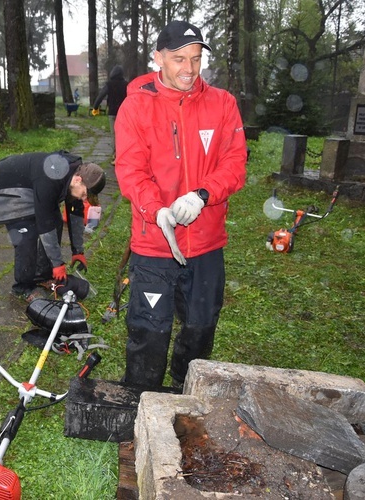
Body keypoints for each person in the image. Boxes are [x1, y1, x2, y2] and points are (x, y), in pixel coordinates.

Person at [114, 20, 247, 389]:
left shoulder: (222, 104)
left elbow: (235, 164)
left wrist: (202, 195)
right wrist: (158, 211)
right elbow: (131, 171)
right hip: (154, 242)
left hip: (206, 242)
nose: (189, 69)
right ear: (158, 58)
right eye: (178, 59)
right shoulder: (135, 108)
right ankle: (142, 397)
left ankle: (185, 389)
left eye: (196, 58)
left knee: (201, 325)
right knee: (148, 327)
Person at [0, 152, 106, 302]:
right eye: (85, 194)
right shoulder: (50, 180)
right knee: (27, 235)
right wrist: (57, 263)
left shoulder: (74, 174)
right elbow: (45, 225)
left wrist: (78, 250)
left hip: (32, 188)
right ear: (78, 180)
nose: (84, 199)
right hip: (5, 190)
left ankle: (43, 276)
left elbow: (75, 213)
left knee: (56, 221)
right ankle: (22, 288)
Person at [92, 65, 128, 162]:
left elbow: (101, 96)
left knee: (115, 134)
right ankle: (124, 155)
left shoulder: (109, 84)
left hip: (113, 113)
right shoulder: (126, 84)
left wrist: (95, 107)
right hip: (125, 113)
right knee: (124, 134)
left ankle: (116, 156)